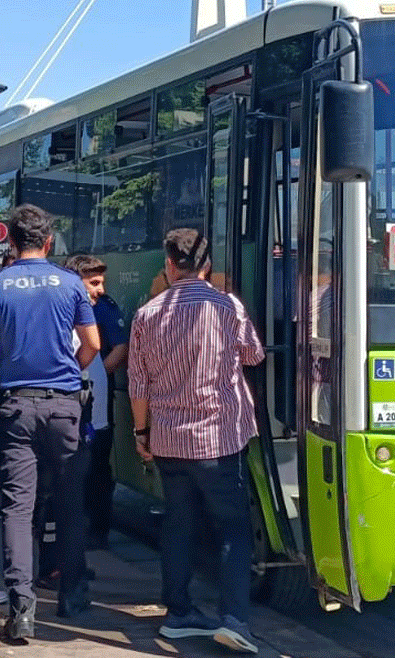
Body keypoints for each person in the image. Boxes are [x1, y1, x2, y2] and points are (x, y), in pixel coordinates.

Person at [129, 228, 265, 654]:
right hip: (219, 440)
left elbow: (138, 384)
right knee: (233, 529)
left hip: (169, 441)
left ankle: (178, 612)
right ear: (206, 265)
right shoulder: (227, 307)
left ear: (169, 264)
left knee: (179, 524)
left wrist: (141, 433)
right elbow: (254, 355)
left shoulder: (147, 314)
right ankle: (234, 619)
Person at [0, 203, 100, 640]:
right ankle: (72, 596)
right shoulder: (70, 284)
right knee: (69, 503)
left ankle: (21, 608)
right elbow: (92, 344)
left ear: (10, 242)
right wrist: (69, 372)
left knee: (18, 508)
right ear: (48, 241)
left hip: (16, 407)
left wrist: (2, 372)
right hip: (64, 406)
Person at [63, 254, 127, 548]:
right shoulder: (59, 310)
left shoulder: (103, 307)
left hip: (97, 410)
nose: (100, 290)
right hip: (70, 410)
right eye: (94, 283)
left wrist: (100, 374)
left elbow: (118, 348)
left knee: (99, 472)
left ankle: (96, 533)